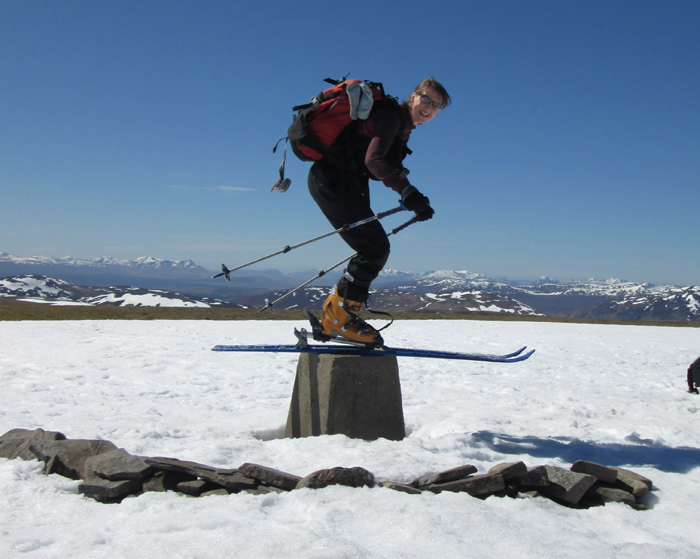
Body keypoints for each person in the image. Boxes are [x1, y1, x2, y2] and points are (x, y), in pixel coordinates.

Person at [308, 77, 451, 347]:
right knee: (374, 248)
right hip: (333, 181)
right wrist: (409, 192)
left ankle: (337, 316)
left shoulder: (401, 125)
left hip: (341, 181)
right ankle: (339, 318)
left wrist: (411, 197)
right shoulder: (392, 117)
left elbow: (377, 163)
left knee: (373, 247)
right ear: (413, 96)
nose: (430, 108)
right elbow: (373, 161)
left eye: (437, 106)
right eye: (427, 99)